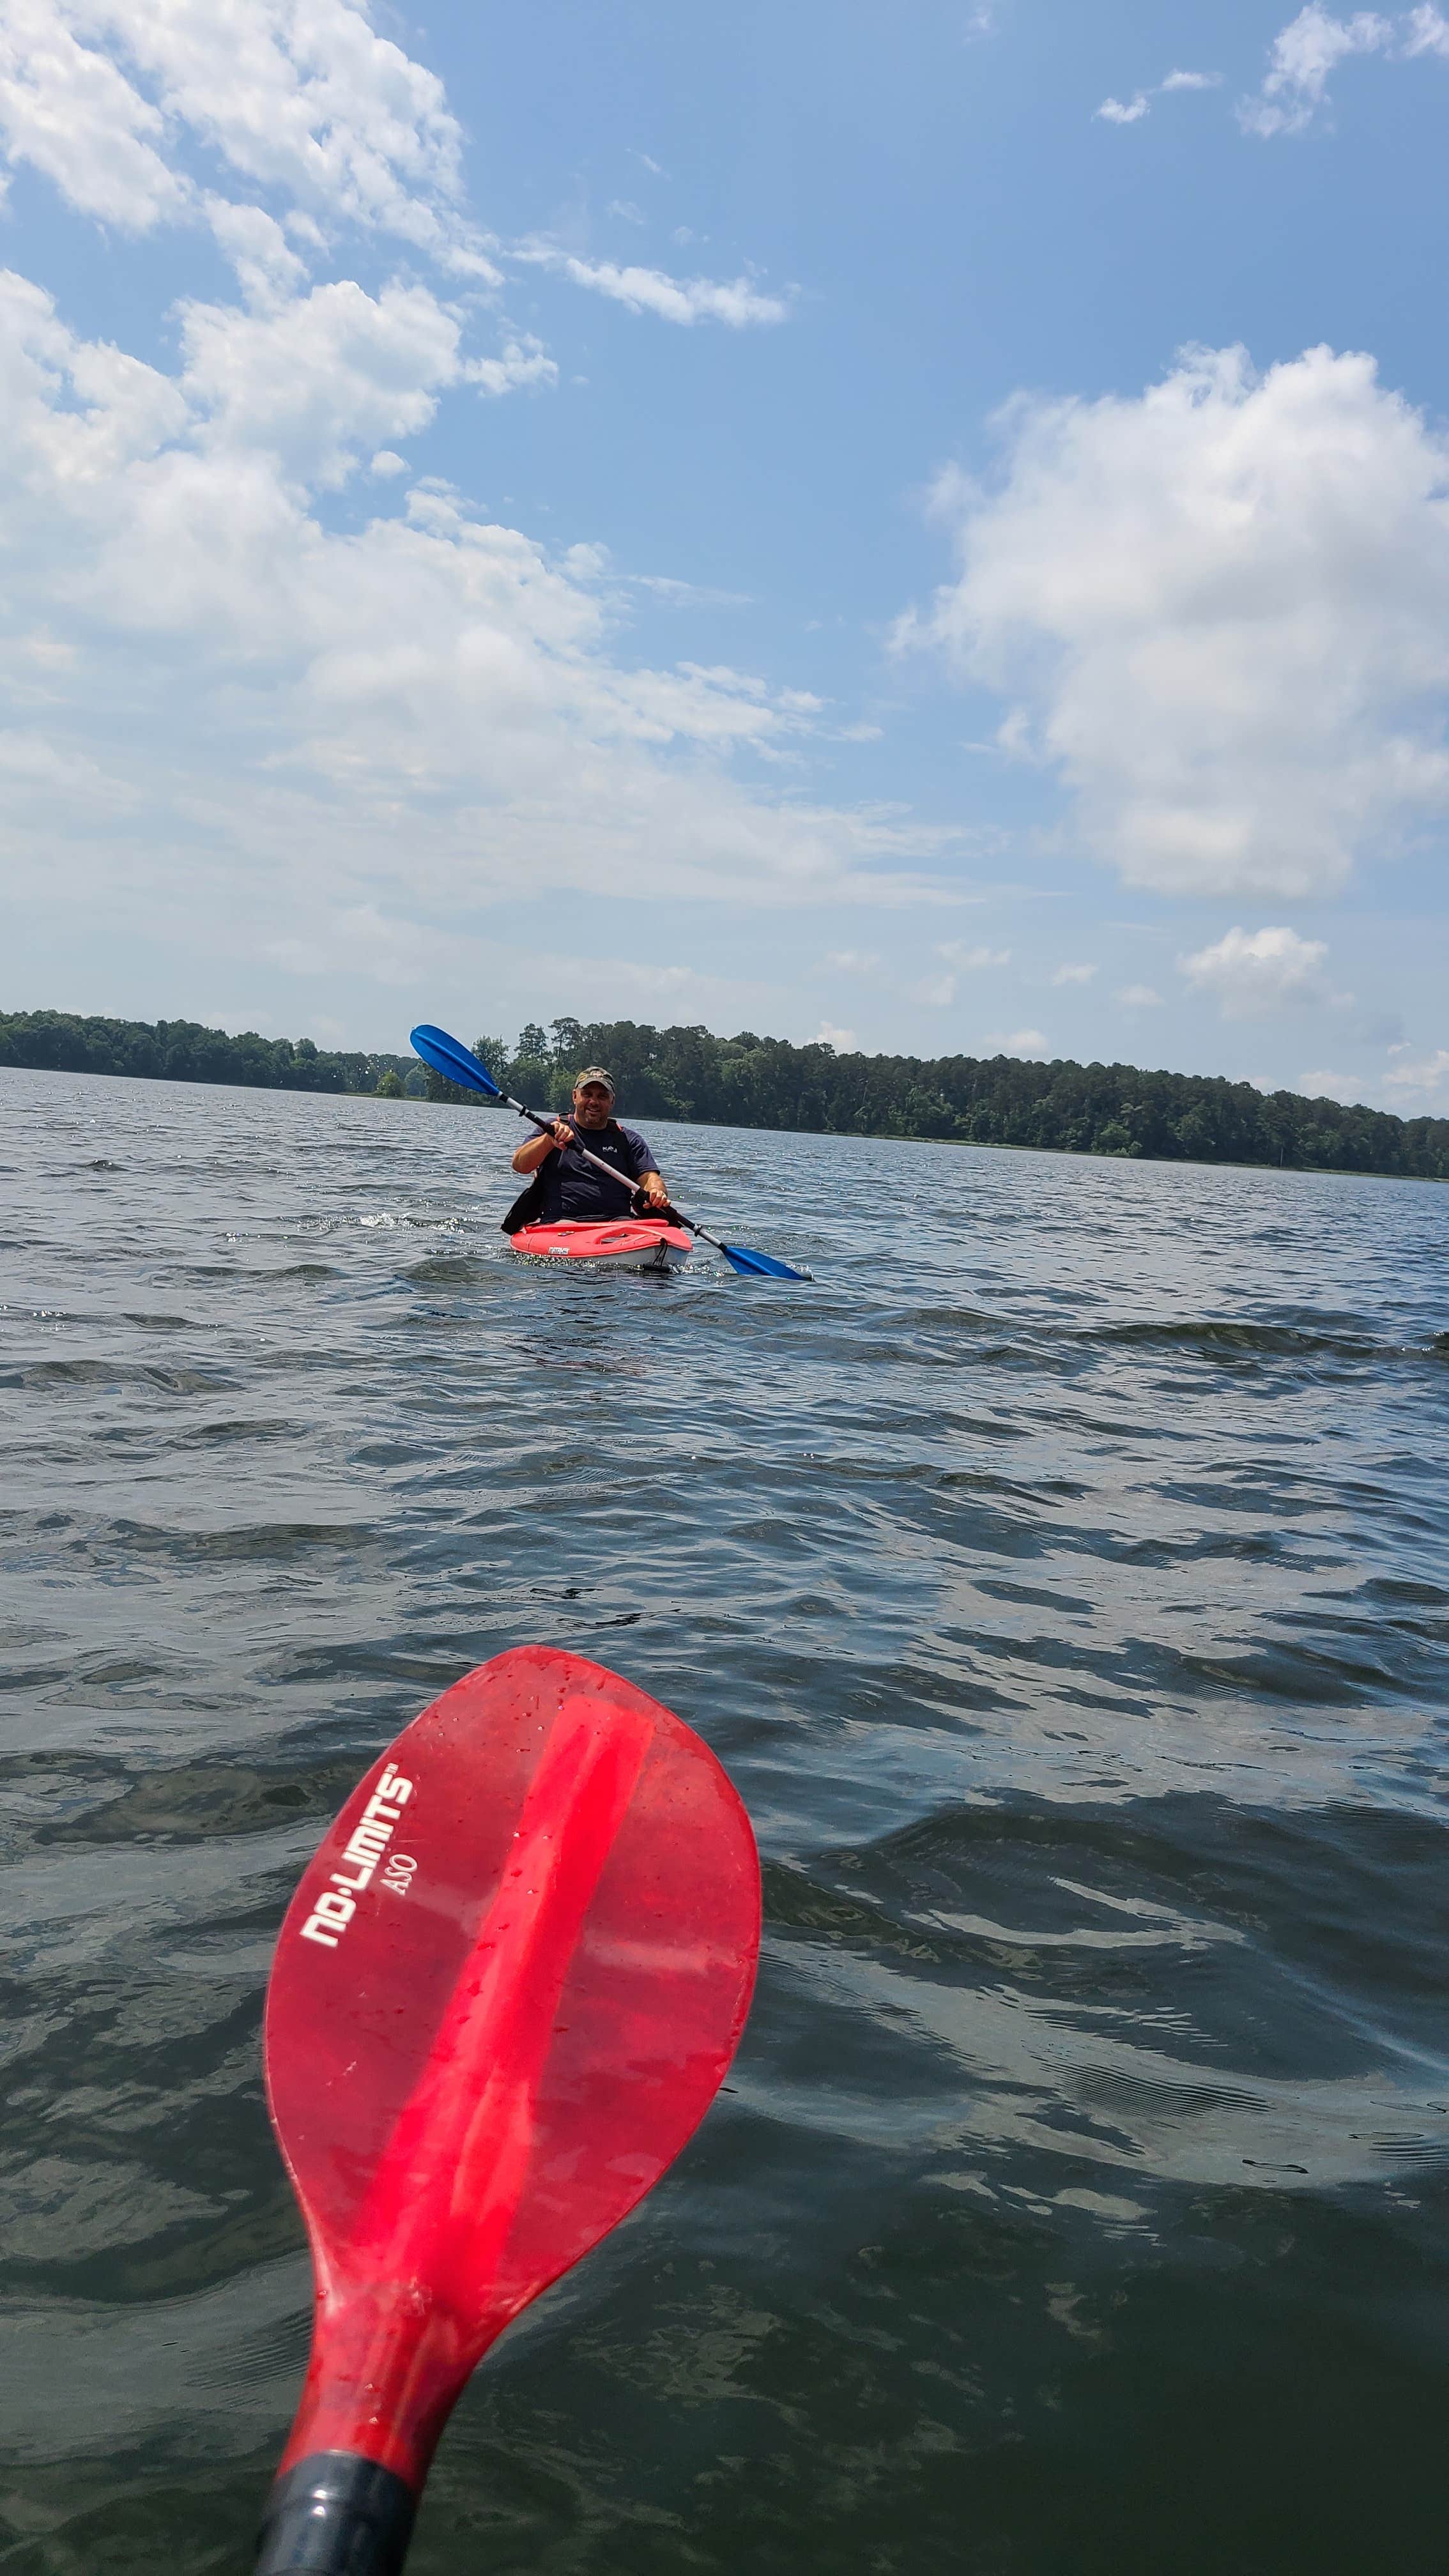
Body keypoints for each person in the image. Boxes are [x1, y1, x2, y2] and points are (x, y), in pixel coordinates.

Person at [507, 1067, 673, 1227]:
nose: (594, 1102)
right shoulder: (551, 1129)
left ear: (612, 1101)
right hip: (562, 1223)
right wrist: (547, 1141)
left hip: (618, 1223)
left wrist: (656, 1191)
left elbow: (650, 1178)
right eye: (587, 1094)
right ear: (575, 1096)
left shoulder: (628, 1140)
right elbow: (520, 1165)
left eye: (602, 1096)